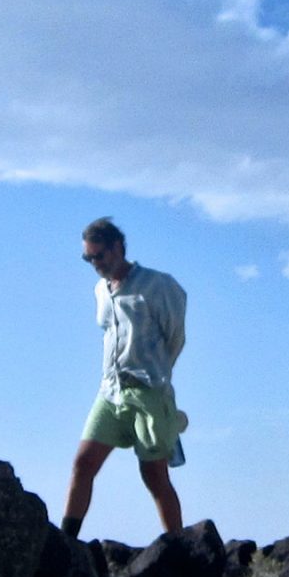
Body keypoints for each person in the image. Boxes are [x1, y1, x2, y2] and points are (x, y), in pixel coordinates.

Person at [61, 217, 187, 540]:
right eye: (88, 258)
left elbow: (175, 337)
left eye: (99, 256)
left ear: (117, 247)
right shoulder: (100, 291)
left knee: (154, 475)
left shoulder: (158, 285)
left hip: (148, 390)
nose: (95, 264)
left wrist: (159, 375)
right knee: (83, 463)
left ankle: (178, 548)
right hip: (111, 391)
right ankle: (65, 542)